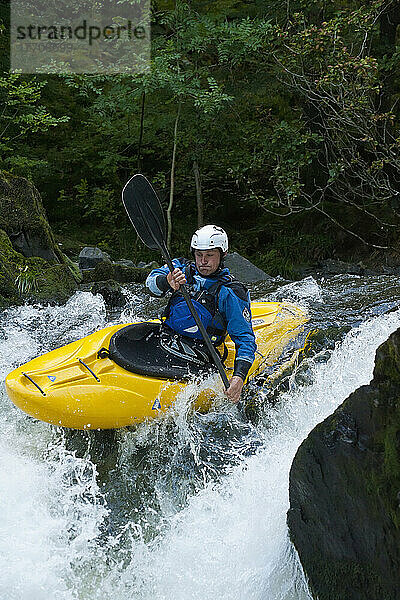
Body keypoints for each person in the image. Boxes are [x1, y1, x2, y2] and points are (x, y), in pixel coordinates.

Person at [145, 225, 257, 404]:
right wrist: (167, 282)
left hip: (200, 354)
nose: (203, 261)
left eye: (210, 255)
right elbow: (150, 284)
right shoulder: (180, 269)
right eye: (199, 255)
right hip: (166, 340)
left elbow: (245, 338)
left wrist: (239, 376)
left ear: (223, 255)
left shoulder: (231, 292)